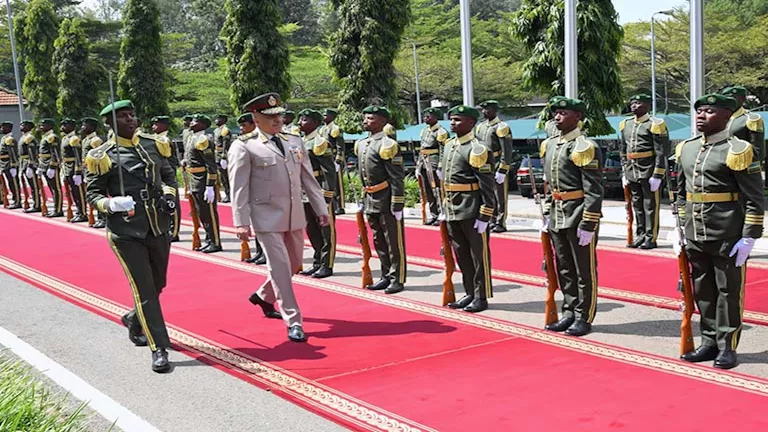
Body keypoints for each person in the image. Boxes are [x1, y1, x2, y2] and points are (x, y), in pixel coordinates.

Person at [85, 100, 178, 373]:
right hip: (126, 231)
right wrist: (110, 204)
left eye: (132, 114)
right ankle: (158, 347)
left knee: (158, 283)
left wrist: (170, 196)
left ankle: (133, 318)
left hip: (157, 225)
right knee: (145, 289)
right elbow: (93, 194)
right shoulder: (101, 155)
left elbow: (168, 176)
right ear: (110, 124)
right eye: (123, 116)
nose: (130, 119)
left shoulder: (153, 144)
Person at [229, 93, 330, 342]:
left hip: (294, 214)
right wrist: (241, 221)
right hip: (265, 215)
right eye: (269, 116)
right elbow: (238, 187)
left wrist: (321, 208)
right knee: (280, 266)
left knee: (294, 263)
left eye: (279, 115)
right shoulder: (244, 145)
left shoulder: (294, 141)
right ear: (256, 118)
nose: (277, 120)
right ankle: (293, 320)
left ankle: (263, 295)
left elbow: (308, 178)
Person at [675, 93, 764, 370]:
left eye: (710, 111)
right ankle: (709, 341)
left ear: (727, 115)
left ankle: (727, 346)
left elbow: (754, 197)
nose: (701, 116)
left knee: (728, 291)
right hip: (694, 233)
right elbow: (680, 193)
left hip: (727, 232)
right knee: (703, 289)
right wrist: (679, 229)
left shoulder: (738, 150)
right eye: (699, 111)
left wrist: (750, 235)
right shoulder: (687, 148)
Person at [540, 97, 604, 337]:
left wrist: (589, 222)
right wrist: (547, 212)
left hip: (578, 214)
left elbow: (594, 188)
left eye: (563, 113)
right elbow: (550, 184)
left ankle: (583, 316)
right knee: (564, 267)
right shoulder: (551, 145)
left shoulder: (584, 146)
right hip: (557, 213)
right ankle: (568, 311)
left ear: (577, 116)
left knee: (583, 270)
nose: (557, 117)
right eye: (556, 113)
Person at [439, 105, 496, 313]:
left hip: (472, 208)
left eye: (457, 120)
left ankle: (481, 296)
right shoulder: (449, 145)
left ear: (471, 123)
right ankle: (470, 292)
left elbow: (487, 185)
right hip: (453, 207)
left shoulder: (477, 148)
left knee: (478, 256)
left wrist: (486, 212)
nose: (452, 123)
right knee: (461, 253)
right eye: (451, 120)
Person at [355, 105, 407, 294]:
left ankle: (397, 278)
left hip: (386, 198)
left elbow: (396, 176)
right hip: (370, 197)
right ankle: (385, 275)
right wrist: (362, 198)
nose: (366, 121)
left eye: (371, 118)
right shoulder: (362, 143)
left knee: (393, 241)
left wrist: (397, 202)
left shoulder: (388, 145)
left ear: (383, 121)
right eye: (366, 118)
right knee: (378, 240)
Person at [618, 92, 669, 249]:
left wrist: (658, 174)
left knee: (650, 205)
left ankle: (650, 237)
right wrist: (624, 171)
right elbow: (622, 149)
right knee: (637, 205)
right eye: (633, 102)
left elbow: (662, 151)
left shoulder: (655, 124)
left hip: (649, 170)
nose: (634, 105)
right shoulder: (625, 124)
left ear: (647, 105)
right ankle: (640, 235)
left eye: (638, 103)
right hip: (632, 170)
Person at [298, 108, 337, 279]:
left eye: (304, 120)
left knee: (326, 231)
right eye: (300, 119)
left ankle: (326, 264)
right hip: (303, 192)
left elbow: (329, 171)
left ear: (314, 123)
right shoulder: (300, 141)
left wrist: (327, 195)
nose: (300, 122)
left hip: (318, 190)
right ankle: (317, 262)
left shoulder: (319, 142)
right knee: (311, 229)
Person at [230, 113, 266, 265]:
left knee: (264, 223)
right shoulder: (243, 143)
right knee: (257, 222)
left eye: (245, 125)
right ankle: (259, 251)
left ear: (254, 125)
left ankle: (264, 252)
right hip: (252, 189)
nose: (241, 128)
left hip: (264, 190)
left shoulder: (262, 142)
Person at [184, 114, 222, 253]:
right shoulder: (191, 137)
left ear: (202, 125)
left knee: (208, 212)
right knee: (201, 213)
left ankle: (215, 242)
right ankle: (209, 239)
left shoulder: (203, 139)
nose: (192, 123)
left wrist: (210, 186)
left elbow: (211, 165)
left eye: (196, 121)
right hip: (193, 179)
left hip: (202, 180)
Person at [476, 100, 514, 233]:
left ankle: (500, 221)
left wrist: (503, 169)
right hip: (485, 164)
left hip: (497, 162)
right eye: (483, 109)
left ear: (494, 110)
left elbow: (507, 150)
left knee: (500, 195)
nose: (484, 112)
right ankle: (491, 218)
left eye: (487, 109)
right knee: (488, 193)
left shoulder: (501, 127)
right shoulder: (481, 126)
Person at [722, 86, 766, 188]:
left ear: (742, 99)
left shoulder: (751, 119)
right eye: (727, 99)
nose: (729, 102)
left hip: (741, 168)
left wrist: (751, 175)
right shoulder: (720, 118)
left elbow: (757, 150)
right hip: (721, 168)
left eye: (733, 98)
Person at [417, 107, 448, 225]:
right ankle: (434, 213)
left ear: (436, 117)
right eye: (425, 116)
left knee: (437, 190)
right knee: (427, 190)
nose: (426, 118)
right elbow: (422, 148)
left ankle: (441, 213)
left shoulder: (440, 131)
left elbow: (443, 149)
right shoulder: (425, 131)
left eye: (428, 116)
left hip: (434, 162)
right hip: (424, 162)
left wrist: (440, 165)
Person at [151, 116, 181, 241]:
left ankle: (174, 232)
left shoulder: (164, 140)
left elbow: (168, 160)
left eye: (156, 124)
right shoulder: (157, 139)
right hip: (160, 174)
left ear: (164, 126)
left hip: (168, 175)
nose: (153, 127)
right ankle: (167, 227)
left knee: (172, 203)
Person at [60, 118, 88, 223]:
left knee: (79, 192)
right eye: (62, 125)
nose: (63, 127)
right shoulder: (65, 138)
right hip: (67, 168)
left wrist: (78, 172)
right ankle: (79, 211)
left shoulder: (74, 139)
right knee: (72, 192)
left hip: (74, 168)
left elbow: (77, 157)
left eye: (65, 125)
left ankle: (83, 213)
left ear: (72, 127)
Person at [320, 108, 346, 215]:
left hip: (334, 158)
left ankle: (340, 206)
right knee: (328, 182)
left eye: (326, 115)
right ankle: (333, 204)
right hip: (326, 159)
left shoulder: (335, 129)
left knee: (337, 184)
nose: (324, 117)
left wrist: (338, 161)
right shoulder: (322, 129)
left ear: (332, 117)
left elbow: (341, 147)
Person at [81, 117, 106, 228]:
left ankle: (103, 218)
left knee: (99, 194)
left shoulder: (95, 140)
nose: (83, 127)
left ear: (92, 127)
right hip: (88, 171)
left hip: (95, 171)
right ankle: (98, 217)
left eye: (85, 125)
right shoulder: (86, 140)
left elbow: (100, 157)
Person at [38, 119, 64, 217]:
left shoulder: (52, 137)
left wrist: (53, 166)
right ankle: (55, 207)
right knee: (51, 188)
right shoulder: (45, 137)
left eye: (43, 125)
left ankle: (58, 210)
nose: (41, 127)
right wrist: (41, 166)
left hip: (50, 165)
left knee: (56, 188)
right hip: (44, 165)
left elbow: (55, 153)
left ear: (49, 126)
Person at [19, 120, 41, 213]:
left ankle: (37, 205)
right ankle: (35, 203)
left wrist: (31, 165)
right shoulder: (24, 137)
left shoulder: (29, 138)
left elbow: (32, 153)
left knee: (34, 186)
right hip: (23, 163)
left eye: (24, 125)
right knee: (30, 186)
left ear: (29, 127)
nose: (21, 126)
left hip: (29, 163)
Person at [0, 121, 21, 209]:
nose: (1, 129)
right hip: (4, 163)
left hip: (10, 164)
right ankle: (14, 199)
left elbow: (12, 153)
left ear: (8, 128)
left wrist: (13, 166)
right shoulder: (4, 138)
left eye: (3, 127)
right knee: (9, 183)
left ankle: (17, 201)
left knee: (14, 183)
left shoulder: (9, 139)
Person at [213, 115, 232, 203]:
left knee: (226, 176)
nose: (216, 120)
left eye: (219, 119)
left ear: (223, 120)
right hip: (217, 155)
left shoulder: (225, 130)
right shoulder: (216, 130)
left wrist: (224, 157)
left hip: (222, 156)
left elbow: (226, 144)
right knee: (222, 177)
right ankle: (226, 193)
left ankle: (229, 194)